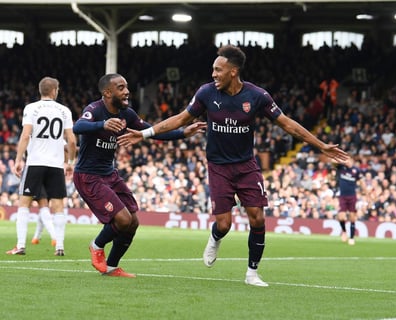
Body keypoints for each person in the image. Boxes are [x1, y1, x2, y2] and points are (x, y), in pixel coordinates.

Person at [117, 45, 350, 286]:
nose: (214, 74)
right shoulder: (206, 93)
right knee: (224, 224)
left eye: (219, 69)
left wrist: (321, 145)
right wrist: (145, 134)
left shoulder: (257, 96)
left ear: (233, 71)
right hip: (218, 166)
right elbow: (180, 119)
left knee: (258, 219)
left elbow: (288, 124)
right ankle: (215, 237)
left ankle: (252, 273)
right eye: (213, 69)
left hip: (246, 165)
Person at [73, 73, 206, 278]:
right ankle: (96, 245)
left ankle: (111, 267)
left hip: (110, 174)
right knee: (123, 220)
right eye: (120, 87)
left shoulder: (128, 114)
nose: (126, 91)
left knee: (133, 222)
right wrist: (102, 124)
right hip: (89, 176)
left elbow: (152, 131)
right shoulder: (95, 110)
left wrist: (183, 133)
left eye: (126, 86)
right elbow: (78, 127)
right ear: (107, 93)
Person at [6, 76, 76, 256]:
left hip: (35, 162)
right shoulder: (64, 111)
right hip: (55, 164)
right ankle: (59, 246)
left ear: (41, 90)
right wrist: (70, 163)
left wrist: (19, 159)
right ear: (54, 91)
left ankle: (21, 246)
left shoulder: (31, 108)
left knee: (24, 203)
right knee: (59, 205)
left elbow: (25, 135)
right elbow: (72, 140)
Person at [335, 157, 364, 245]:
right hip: (343, 196)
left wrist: (367, 193)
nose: (346, 162)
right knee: (341, 216)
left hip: (352, 196)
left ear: (351, 161)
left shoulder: (356, 170)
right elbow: (332, 162)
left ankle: (352, 237)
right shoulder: (341, 168)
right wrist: (338, 158)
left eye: (347, 160)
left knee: (352, 217)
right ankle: (344, 231)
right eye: (345, 160)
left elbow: (362, 182)